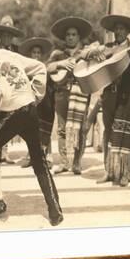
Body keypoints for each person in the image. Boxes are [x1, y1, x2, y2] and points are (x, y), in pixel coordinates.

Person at [0, 21, 64, 226]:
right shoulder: (8, 54)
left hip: (14, 113)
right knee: (39, 160)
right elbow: (39, 68)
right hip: (30, 110)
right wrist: (34, 95)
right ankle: (55, 210)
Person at [92, 14, 130, 186]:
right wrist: (96, 55)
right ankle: (109, 171)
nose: (118, 31)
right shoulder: (107, 48)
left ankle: (125, 172)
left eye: (122, 28)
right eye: (116, 28)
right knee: (108, 133)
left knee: (126, 133)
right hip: (110, 96)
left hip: (127, 98)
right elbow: (90, 59)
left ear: (128, 32)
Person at [45, 17, 93, 175]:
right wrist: (60, 64)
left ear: (79, 37)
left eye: (74, 34)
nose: (70, 37)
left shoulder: (86, 53)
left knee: (81, 129)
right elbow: (46, 67)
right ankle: (65, 162)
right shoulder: (58, 54)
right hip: (61, 94)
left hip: (80, 95)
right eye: (68, 35)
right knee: (61, 129)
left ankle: (77, 162)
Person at [0, 15, 27, 163]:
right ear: (0, 35)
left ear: (12, 36)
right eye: (4, 34)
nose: (6, 37)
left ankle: (5, 152)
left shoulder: (17, 50)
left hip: (12, 89)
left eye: (9, 34)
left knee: (8, 120)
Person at [18, 37, 55, 168]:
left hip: (45, 102)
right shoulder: (26, 68)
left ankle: (48, 157)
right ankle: (32, 156)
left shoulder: (44, 67)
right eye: (34, 53)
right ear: (30, 54)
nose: (36, 55)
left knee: (45, 129)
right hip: (31, 101)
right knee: (31, 128)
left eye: (39, 53)